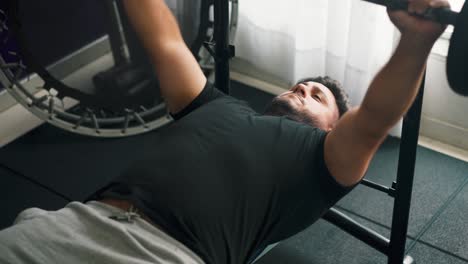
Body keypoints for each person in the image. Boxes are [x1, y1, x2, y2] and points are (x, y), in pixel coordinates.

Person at [0, 0, 448, 263]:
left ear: (332, 126)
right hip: (72, 224)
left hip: (162, 255)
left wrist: (417, 39)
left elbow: (374, 118)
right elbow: (166, 43)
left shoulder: (322, 162)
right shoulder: (214, 105)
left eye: (317, 96)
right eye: (302, 84)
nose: (304, 86)